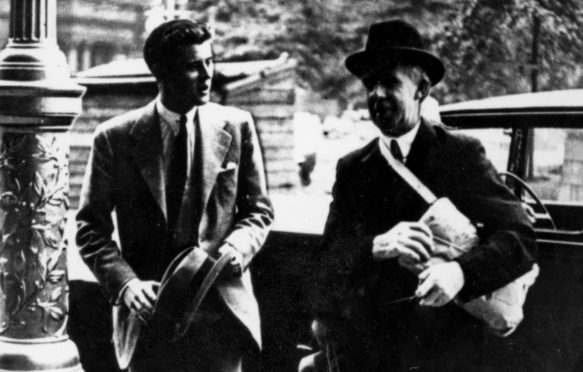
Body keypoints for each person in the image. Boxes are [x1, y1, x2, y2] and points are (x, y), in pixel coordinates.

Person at [308, 20, 537, 372]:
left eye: (390, 82)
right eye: (371, 84)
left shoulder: (459, 154)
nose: (377, 95)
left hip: (441, 352)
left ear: (421, 89)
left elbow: (519, 237)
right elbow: (327, 260)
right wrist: (376, 245)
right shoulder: (353, 167)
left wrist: (460, 272)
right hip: (369, 353)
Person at [76, 19, 273, 372]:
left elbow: (258, 212)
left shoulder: (237, 126)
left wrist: (238, 246)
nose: (207, 74)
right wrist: (127, 285)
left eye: (210, 62)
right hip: (149, 317)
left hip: (221, 318)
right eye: (193, 66)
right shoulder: (114, 138)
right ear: (162, 72)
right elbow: (90, 230)